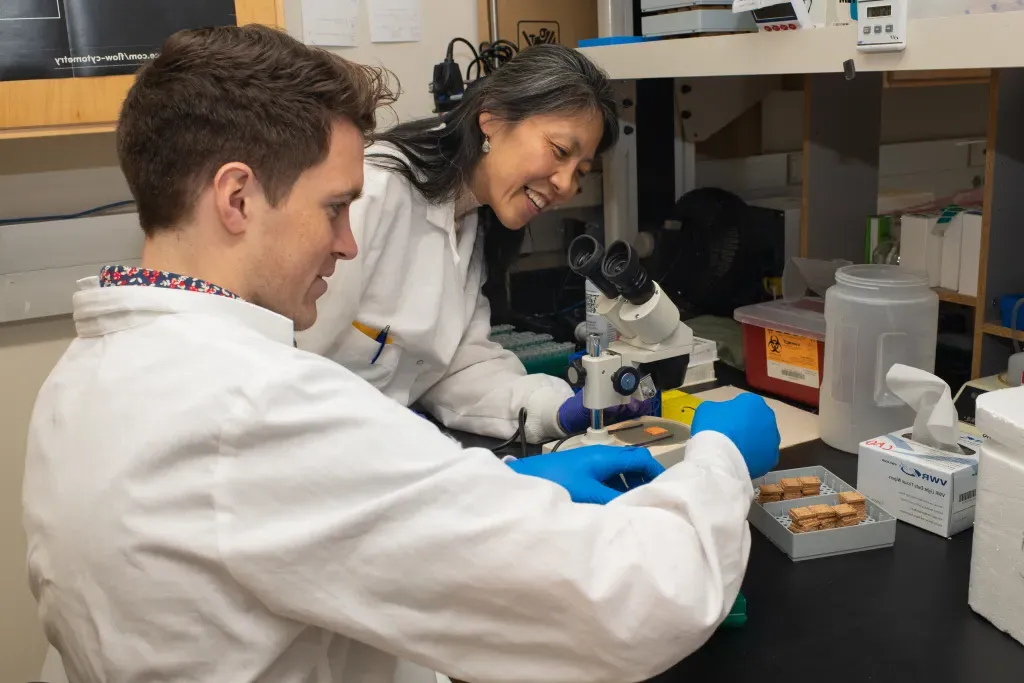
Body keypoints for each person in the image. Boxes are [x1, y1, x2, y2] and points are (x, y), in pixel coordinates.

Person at [23, 25, 781, 683]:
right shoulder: (256, 408)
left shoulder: (84, 377)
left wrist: (521, 457)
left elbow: (434, 381)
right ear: (237, 198)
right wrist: (717, 461)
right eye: (332, 208)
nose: (348, 242)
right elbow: (630, 596)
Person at [296, 44, 650, 444]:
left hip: (379, 449)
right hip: (319, 452)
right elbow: (293, 361)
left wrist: (558, 410)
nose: (566, 185)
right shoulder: (372, 194)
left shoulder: (469, 221)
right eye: (560, 151)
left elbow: (458, 369)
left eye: (580, 171)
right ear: (492, 120)